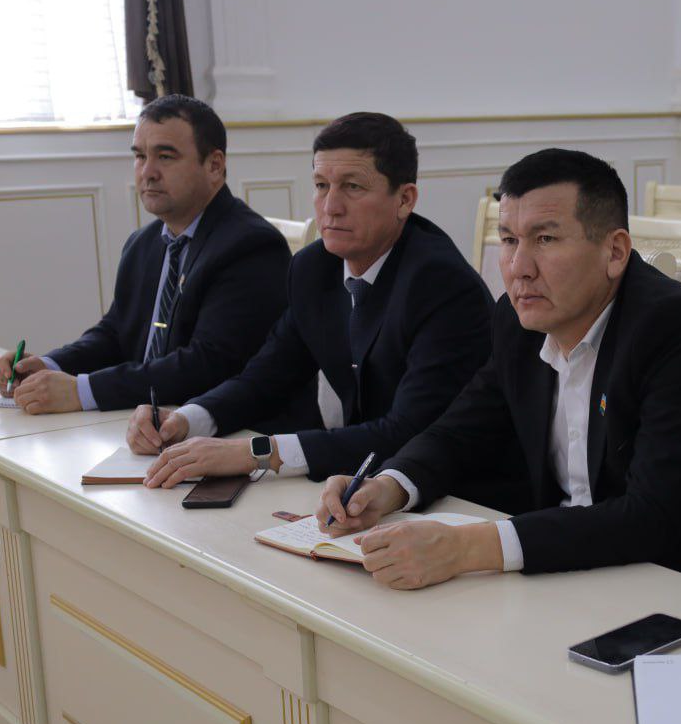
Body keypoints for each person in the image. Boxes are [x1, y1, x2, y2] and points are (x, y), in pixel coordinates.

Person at [314, 148, 681, 589]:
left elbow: (651, 516)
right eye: (508, 240)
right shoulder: (518, 320)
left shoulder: (675, 328)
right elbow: (460, 431)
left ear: (615, 252)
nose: (519, 267)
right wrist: (387, 488)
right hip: (571, 566)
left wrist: (464, 548)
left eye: (545, 239)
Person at [126, 112, 493, 483]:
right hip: (358, 482)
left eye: (353, 187)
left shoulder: (441, 284)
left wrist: (257, 453)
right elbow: (265, 378)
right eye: (321, 185)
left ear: (404, 199)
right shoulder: (313, 267)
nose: (330, 206)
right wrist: (185, 419)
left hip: (452, 492)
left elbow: (406, 431)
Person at [0, 94, 291, 414]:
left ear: (214, 165)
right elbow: (115, 333)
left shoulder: (250, 246)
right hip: (147, 420)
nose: (147, 172)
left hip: (229, 429)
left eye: (165, 156)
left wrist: (82, 391)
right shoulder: (144, 242)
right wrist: (48, 366)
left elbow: (206, 365)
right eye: (139, 156)